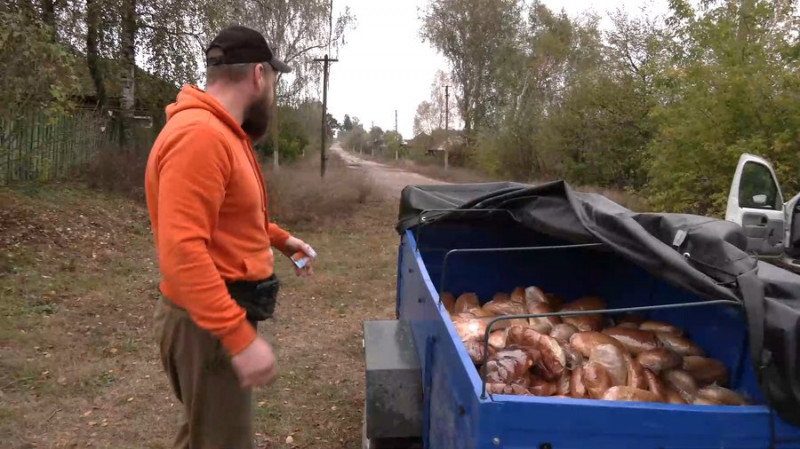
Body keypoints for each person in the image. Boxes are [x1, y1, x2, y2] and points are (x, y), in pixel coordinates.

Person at [144, 25, 315, 449]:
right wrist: (238, 339)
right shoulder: (201, 136)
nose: (272, 90)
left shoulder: (222, 132)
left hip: (211, 318)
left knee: (204, 432)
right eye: (273, 79)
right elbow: (182, 253)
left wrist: (278, 239)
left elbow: (227, 215)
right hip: (208, 326)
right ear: (259, 75)